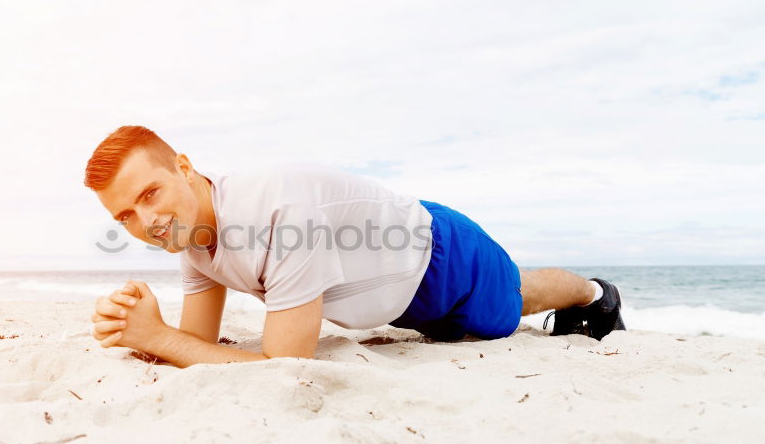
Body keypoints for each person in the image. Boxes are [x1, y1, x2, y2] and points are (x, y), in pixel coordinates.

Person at [84, 125, 625, 368]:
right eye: (125, 214)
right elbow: (195, 344)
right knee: (501, 305)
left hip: (440, 260)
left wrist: (158, 338)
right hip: (401, 300)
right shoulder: (192, 238)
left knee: (515, 298)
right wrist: (143, 331)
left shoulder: (276, 210)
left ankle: (596, 293)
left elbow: (284, 363)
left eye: (150, 193)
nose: (146, 222)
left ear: (183, 166)